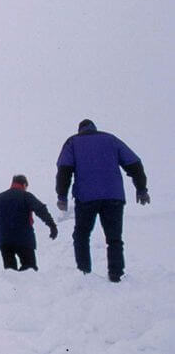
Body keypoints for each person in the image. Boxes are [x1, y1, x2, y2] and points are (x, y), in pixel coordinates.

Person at [56, 119, 149, 282]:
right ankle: (116, 275)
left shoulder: (73, 142)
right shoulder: (111, 140)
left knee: (82, 235)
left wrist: (62, 196)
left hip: (86, 198)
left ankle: (84, 273)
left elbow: (64, 170)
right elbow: (134, 163)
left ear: (80, 130)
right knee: (114, 238)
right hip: (113, 197)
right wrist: (141, 189)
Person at [0, 175, 58, 271]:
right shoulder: (26, 196)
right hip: (23, 239)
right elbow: (41, 209)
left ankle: (13, 285)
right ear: (24, 184)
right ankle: (25, 285)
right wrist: (52, 225)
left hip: (4, 240)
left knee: (10, 272)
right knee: (29, 269)